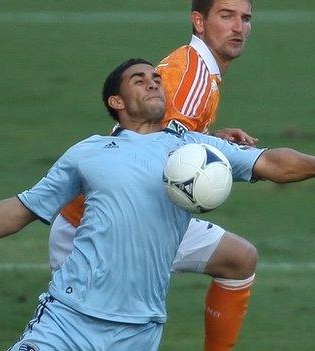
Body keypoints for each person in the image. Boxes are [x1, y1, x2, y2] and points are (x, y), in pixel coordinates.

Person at [0, 58, 315, 350]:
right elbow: (25, 207)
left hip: (140, 329)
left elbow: (269, 162)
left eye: (157, 77)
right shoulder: (88, 152)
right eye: (139, 79)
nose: (154, 82)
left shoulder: (195, 149)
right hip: (71, 319)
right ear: (116, 100)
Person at [54, 1, 262, 349]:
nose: (238, 27)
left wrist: (211, 141)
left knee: (240, 259)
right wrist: (230, 159)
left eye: (245, 18)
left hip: (127, 212)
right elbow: (151, 151)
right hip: (104, 228)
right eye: (226, 16)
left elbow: (157, 138)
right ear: (199, 21)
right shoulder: (191, 78)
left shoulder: (192, 68)